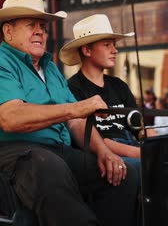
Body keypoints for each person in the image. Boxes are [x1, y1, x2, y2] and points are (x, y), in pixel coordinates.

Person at [0, 0, 138, 226]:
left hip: (49, 151)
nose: (40, 32)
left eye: (43, 27)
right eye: (30, 25)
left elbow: (76, 122)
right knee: (45, 164)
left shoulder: (51, 68)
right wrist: (75, 108)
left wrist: (104, 151)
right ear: (8, 32)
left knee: (124, 173)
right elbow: (11, 118)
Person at [61, 14, 148, 181]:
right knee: (142, 168)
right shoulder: (72, 88)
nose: (114, 50)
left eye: (114, 45)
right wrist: (142, 154)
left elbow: (139, 128)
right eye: (107, 45)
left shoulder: (119, 85)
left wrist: (159, 142)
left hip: (132, 147)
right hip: (101, 155)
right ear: (86, 50)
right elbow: (95, 140)